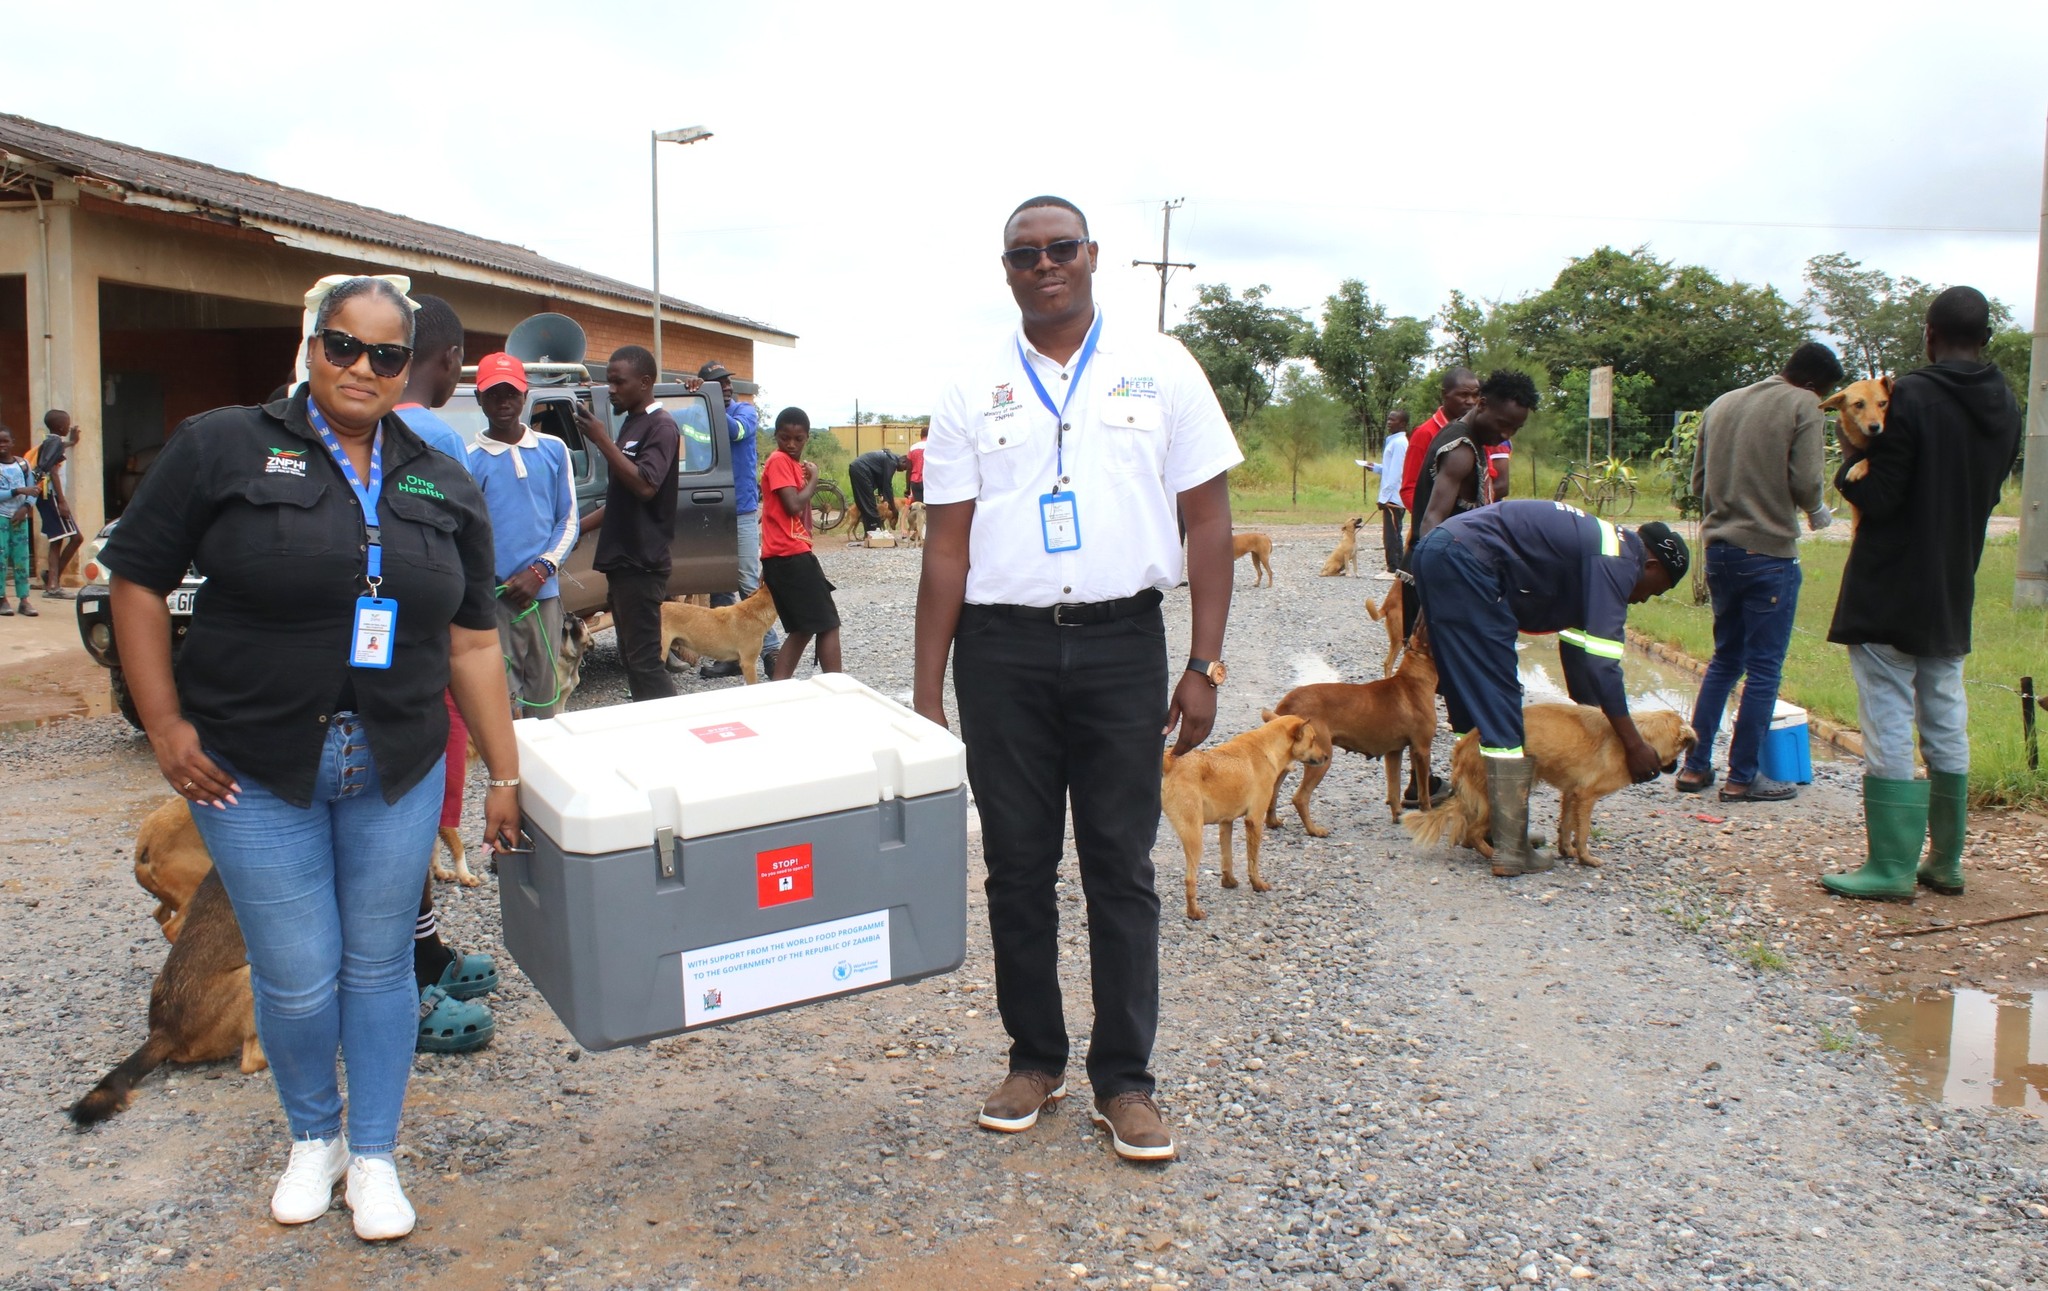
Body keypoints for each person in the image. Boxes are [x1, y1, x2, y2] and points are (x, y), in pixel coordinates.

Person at [102, 275, 519, 1242]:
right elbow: (136, 581)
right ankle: (313, 1138)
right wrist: (165, 727)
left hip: (395, 764)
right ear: (311, 346)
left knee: (378, 970)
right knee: (296, 974)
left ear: (406, 365)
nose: (360, 369)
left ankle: (373, 1155)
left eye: (384, 354)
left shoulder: (440, 475)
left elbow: (472, 641)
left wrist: (504, 772)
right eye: (343, 346)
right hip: (251, 769)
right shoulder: (222, 445)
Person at [915, 195, 1241, 1164]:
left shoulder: (1162, 368)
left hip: (1120, 647)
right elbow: (944, 548)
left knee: (1118, 866)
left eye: (1060, 249)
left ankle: (1125, 1079)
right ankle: (1033, 1057)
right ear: (1006, 269)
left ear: (1092, 255)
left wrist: (1204, 661)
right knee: (1016, 864)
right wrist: (927, 694)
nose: (1044, 264)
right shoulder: (973, 384)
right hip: (1000, 653)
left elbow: (1209, 521)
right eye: (1026, 254)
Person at [1821, 287, 2022, 902]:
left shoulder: (1912, 396)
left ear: (1930, 334)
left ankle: (1889, 867)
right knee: (1944, 710)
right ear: (1984, 336)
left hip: (1890, 584)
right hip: (1952, 580)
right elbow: (1985, 495)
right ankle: (1946, 861)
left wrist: (1847, 462)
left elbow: (1881, 496)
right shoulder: (2007, 403)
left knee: (1886, 714)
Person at [1409, 500, 1689, 876]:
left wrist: (1593, 731)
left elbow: (1579, 660)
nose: (1643, 599)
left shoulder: (1600, 550)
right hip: (1466, 559)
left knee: (1469, 688)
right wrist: (1633, 744)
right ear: (1652, 566)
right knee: (1501, 698)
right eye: (1654, 591)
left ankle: (1487, 824)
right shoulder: (1617, 562)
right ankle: (1510, 847)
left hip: (1441, 549)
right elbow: (1605, 667)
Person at [386, 293, 495, 1045]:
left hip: (358, 671)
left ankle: (425, 953)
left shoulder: (341, 431)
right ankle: (413, 981)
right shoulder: (435, 444)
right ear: (452, 361)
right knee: (408, 828)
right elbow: (461, 582)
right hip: (419, 670)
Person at [1676, 342, 1843, 804]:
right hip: (1769, 554)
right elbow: (1807, 480)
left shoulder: (1722, 403)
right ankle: (1743, 776)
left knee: (1726, 660)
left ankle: (1694, 767)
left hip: (1720, 551)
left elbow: (1697, 482)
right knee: (1764, 668)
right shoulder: (1804, 403)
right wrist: (1816, 511)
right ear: (1815, 384)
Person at [465, 353, 579, 717]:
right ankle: (507, 773)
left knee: (545, 696)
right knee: (501, 699)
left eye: (511, 393)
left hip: (543, 594)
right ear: (479, 398)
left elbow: (569, 520)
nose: (504, 402)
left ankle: (537, 774)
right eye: (494, 393)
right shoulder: (468, 459)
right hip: (496, 598)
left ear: (525, 395)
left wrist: (541, 570)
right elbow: (468, 535)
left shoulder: (553, 449)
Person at [576, 346, 681, 702]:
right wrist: (578, 527)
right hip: (623, 564)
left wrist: (601, 440)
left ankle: (670, 734)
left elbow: (646, 486)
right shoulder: (633, 424)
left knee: (645, 662)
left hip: (642, 564)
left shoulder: (661, 426)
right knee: (632, 660)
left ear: (645, 382)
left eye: (619, 382)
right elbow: (621, 498)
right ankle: (647, 727)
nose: (612, 389)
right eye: (609, 381)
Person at [697, 360, 780, 679]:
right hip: (709, 509)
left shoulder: (743, 412)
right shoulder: (699, 411)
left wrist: (705, 400)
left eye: (727, 381)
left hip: (742, 509)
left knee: (747, 580)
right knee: (719, 583)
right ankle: (729, 656)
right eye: (718, 383)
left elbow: (734, 433)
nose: (728, 386)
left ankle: (771, 650)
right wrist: (688, 396)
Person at [758, 407, 844, 679]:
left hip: (784, 555)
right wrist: (815, 479)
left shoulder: (792, 465)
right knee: (827, 623)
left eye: (798, 439)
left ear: (807, 438)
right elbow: (793, 505)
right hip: (790, 555)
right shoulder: (779, 461)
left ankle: (778, 686)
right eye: (785, 438)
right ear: (776, 436)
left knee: (803, 627)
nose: (791, 444)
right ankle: (838, 690)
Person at [1398, 367, 1480, 513]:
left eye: (1475, 395)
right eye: (1464, 395)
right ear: (1445, 394)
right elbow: (1409, 489)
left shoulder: (1477, 433)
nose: (1471, 402)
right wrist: (1430, 523)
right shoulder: (1425, 433)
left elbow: (1489, 479)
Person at [31, 409, 83, 598]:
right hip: (51, 496)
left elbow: (59, 449)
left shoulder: (52, 442)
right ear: (61, 427)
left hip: (48, 497)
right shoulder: (54, 443)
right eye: (67, 424)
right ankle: (52, 586)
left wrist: (72, 442)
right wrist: (62, 501)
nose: (68, 427)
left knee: (66, 538)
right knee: (65, 539)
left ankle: (52, 577)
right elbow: (53, 472)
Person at [1366, 409, 1408, 573]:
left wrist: (1384, 498)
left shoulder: (1400, 443)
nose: (1389, 422)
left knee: (1392, 534)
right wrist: (1375, 468)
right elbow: (1390, 469)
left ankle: (1395, 567)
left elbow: (1397, 473)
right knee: (1390, 532)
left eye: (1393, 420)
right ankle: (1395, 565)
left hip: (1394, 497)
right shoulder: (1393, 441)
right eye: (1388, 419)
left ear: (1402, 424)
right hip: (1391, 495)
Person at [0, 427, 35, 616]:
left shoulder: (23, 465)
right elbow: (23, 490)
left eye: (5, 441)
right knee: (1, 559)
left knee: (22, 558)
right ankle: (2, 599)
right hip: (1, 518)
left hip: (20, 519)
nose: (2, 446)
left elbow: (33, 490)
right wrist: (17, 491)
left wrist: (26, 508)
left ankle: (24, 600)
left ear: (13, 442)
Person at [846, 447, 908, 535]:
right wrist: (893, 508)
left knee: (864, 503)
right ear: (903, 461)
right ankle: (874, 533)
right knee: (869, 504)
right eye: (905, 468)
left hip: (857, 468)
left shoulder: (890, 458)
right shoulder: (892, 461)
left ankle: (870, 533)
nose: (903, 471)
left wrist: (883, 496)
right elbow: (887, 484)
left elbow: (881, 481)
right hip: (860, 469)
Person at [907, 425, 929, 504]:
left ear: (921, 435)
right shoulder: (933, 446)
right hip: (928, 481)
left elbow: (909, 468)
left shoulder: (913, 447)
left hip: (915, 482)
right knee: (928, 507)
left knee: (919, 507)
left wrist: (907, 488)